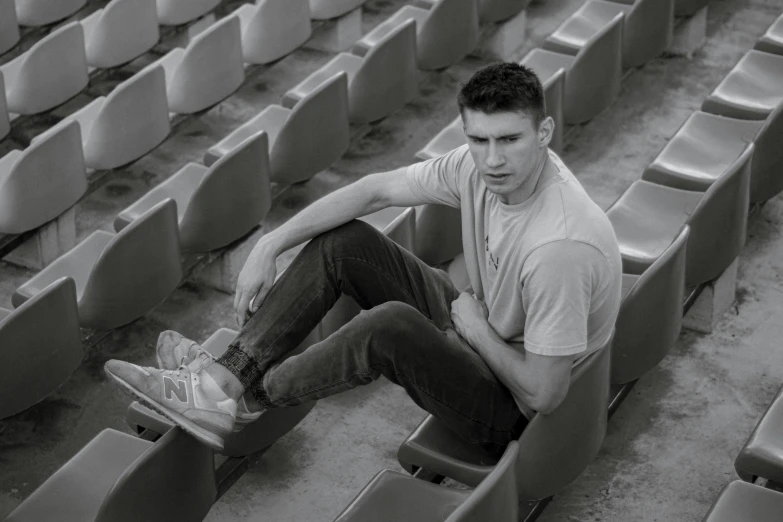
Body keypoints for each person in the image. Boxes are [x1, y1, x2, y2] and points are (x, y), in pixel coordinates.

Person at [104, 62, 622, 453]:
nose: (492, 159)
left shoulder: (561, 247)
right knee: (344, 240)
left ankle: (240, 400)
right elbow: (375, 191)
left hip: (513, 416)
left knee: (390, 325)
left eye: (510, 139)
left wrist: (478, 330)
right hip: (480, 331)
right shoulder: (476, 165)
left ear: (545, 133)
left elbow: (544, 397)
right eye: (479, 139)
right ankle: (222, 380)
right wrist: (272, 241)